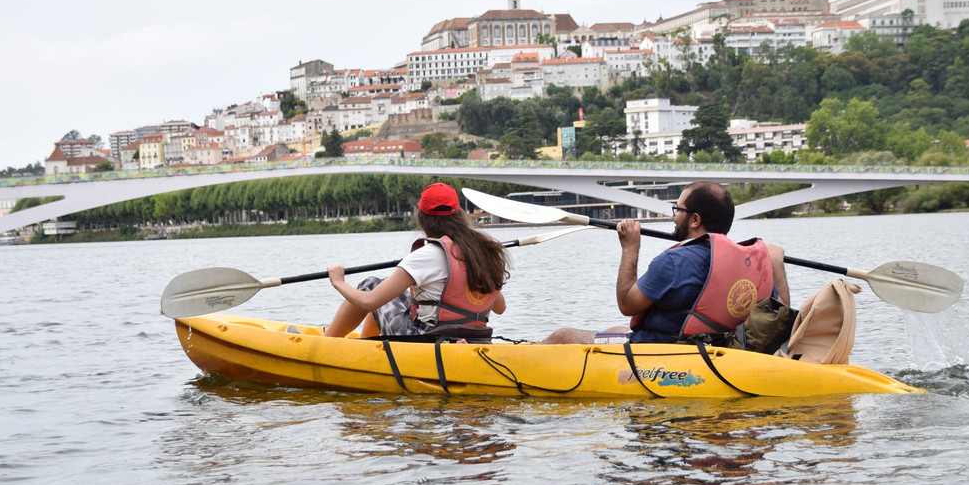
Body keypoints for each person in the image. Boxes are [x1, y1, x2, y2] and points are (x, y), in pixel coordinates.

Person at [543, 182, 788, 345]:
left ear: (694, 219)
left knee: (561, 336)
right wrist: (776, 264)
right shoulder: (750, 262)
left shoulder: (674, 261)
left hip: (663, 352)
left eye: (677, 210)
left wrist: (630, 249)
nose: (674, 217)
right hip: (717, 348)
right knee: (613, 328)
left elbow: (627, 304)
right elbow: (779, 317)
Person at [323, 182, 510, 340]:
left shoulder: (427, 255)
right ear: (459, 215)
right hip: (474, 337)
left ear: (422, 218)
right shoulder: (484, 253)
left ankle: (327, 343)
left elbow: (369, 303)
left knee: (370, 285)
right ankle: (368, 345)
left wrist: (338, 282)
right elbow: (500, 308)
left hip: (428, 338)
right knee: (388, 292)